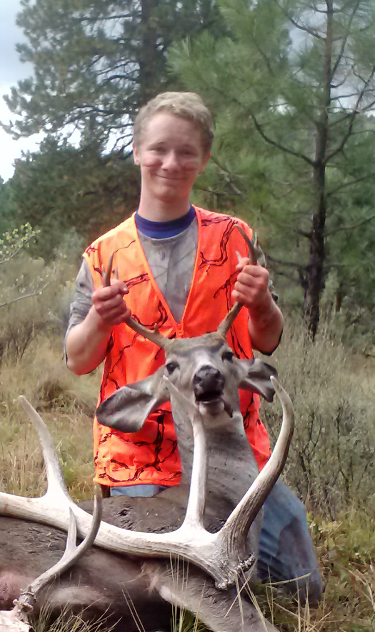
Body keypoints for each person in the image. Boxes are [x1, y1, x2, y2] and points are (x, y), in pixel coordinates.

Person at [64, 91, 323, 604]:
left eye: (186, 152)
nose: (170, 163)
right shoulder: (104, 256)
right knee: (162, 597)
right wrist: (99, 318)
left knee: (301, 588)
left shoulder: (236, 240)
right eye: (158, 149)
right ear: (138, 152)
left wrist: (263, 305)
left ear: (203, 160)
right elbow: (77, 359)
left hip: (231, 448)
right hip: (142, 456)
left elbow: (268, 339)